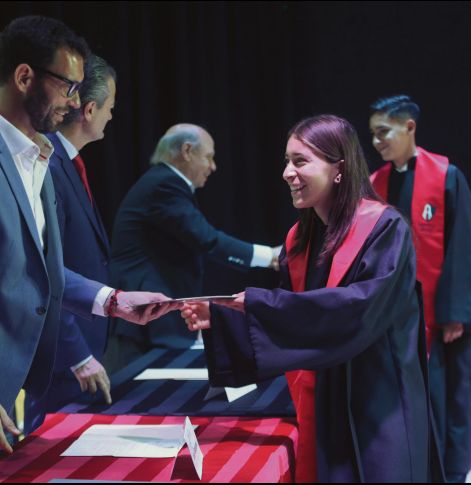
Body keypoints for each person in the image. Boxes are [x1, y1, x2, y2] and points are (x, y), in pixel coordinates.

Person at [0, 16, 174, 482]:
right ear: (24, 77)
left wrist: (113, 301)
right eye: (68, 87)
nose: (75, 102)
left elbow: (41, 269)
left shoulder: (36, 155)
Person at [181, 115, 436, 482]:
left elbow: (358, 311)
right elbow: (295, 320)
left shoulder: (384, 229)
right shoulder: (300, 240)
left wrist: (256, 303)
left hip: (377, 400)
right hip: (324, 397)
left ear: (339, 169)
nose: (287, 172)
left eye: (300, 161)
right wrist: (222, 316)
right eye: (287, 161)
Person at [368, 95, 471, 483]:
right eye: (372, 134)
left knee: (450, 400)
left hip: (443, 321)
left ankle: (451, 476)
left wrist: (457, 312)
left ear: (409, 127)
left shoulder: (446, 177)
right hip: (398, 320)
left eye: (383, 132)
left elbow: (464, 246)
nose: (376, 142)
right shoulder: (376, 184)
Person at [105, 123, 281, 371]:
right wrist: (270, 256)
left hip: (150, 317)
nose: (213, 166)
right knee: (136, 391)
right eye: (208, 157)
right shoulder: (164, 184)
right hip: (143, 320)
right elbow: (207, 239)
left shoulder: (162, 182)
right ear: (187, 151)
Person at [24, 54, 118, 434]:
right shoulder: (46, 162)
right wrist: (77, 354)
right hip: (63, 357)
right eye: (110, 107)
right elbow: (43, 270)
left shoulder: (67, 160)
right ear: (90, 110)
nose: (112, 116)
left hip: (82, 350)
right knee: (48, 453)